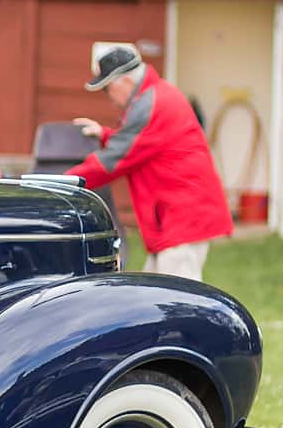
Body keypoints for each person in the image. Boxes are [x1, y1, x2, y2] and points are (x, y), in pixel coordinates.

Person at [67, 45, 232, 280]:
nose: (108, 97)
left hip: (182, 219)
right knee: (153, 295)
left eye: (106, 89)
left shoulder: (151, 105)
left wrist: (62, 182)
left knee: (175, 301)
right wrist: (104, 134)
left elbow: (113, 161)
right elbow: (143, 143)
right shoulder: (155, 97)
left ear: (122, 81)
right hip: (177, 218)